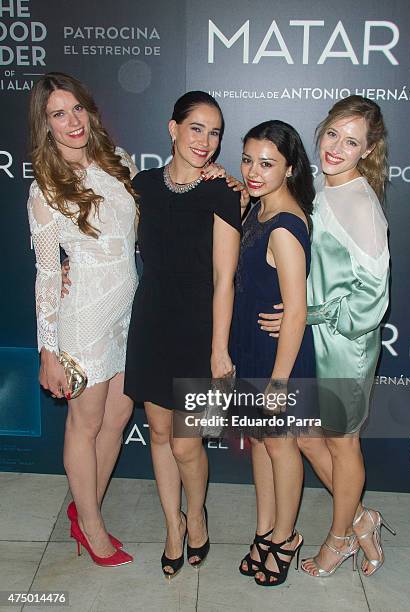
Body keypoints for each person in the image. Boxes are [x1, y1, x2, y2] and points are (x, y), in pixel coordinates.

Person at [258, 96, 394, 577]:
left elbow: (371, 300)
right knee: (307, 437)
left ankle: (339, 541)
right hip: (316, 339)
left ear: (368, 149)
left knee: (341, 444)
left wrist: (308, 312)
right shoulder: (322, 187)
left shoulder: (361, 204)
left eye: (352, 140)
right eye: (334, 133)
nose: (337, 146)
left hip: (345, 347)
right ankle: (360, 518)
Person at [124, 91, 241, 577]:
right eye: (196, 128)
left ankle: (197, 516)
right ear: (172, 128)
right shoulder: (142, 186)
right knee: (159, 434)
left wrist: (219, 350)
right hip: (151, 321)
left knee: (187, 443)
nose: (206, 141)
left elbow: (224, 279)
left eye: (214, 132)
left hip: (199, 329)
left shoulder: (223, 193)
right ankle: (172, 526)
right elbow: (110, 242)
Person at [27, 72, 138, 567]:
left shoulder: (118, 163)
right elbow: (48, 274)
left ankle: (86, 504)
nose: (71, 122)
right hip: (84, 317)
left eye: (77, 109)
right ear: (46, 125)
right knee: (86, 422)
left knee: (118, 416)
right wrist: (47, 350)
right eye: (58, 114)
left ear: (90, 111)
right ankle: (90, 524)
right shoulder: (46, 187)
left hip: (130, 311)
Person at [232, 121, 316, 586]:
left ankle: (286, 537)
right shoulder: (258, 210)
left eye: (267, 163)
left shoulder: (284, 225)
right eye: (248, 160)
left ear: (289, 167)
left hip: (277, 358)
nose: (254, 171)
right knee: (261, 443)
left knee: (280, 446)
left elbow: (297, 311)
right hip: (251, 347)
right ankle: (264, 530)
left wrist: (281, 382)